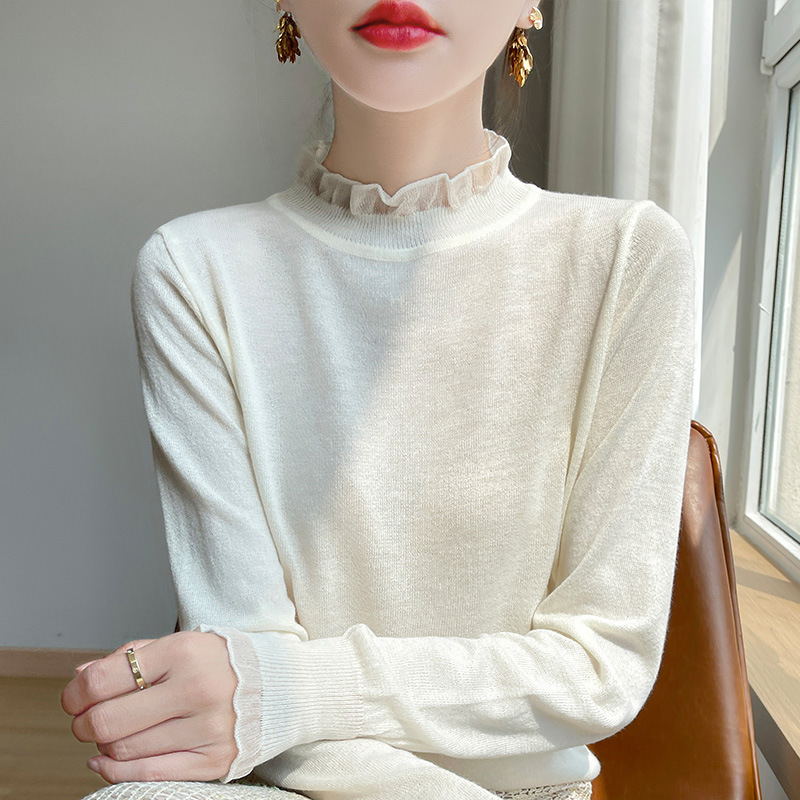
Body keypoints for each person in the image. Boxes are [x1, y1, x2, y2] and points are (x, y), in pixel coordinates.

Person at [61, 1, 696, 798]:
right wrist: (260, 697)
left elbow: (599, 670)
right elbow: (247, 683)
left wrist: (283, 692)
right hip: (291, 780)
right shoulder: (192, 270)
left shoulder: (628, 259)